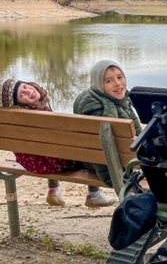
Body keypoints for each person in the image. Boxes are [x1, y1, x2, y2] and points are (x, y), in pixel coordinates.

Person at [0, 78, 115, 208]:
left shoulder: (16, 119)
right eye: (22, 95)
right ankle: (94, 194)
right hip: (52, 161)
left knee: (49, 147)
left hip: (30, 163)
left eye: (25, 87)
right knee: (88, 148)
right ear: (18, 104)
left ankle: (53, 189)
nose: (28, 92)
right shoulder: (41, 115)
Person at [73, 59, 142, 200]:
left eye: (119, 77)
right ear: (99, 84)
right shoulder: (98, 107)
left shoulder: (121, 100)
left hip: (108, 158)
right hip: (106, 164)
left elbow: (139, 132)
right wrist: (115, 178)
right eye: (108, 81)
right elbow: (101, 148)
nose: (117, 83)